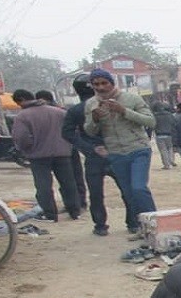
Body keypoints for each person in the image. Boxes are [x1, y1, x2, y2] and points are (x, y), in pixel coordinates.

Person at [83, 68, 157, 235]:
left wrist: (123, 111)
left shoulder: (131, 98)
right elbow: (90, 131)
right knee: (128, 193)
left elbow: (150, 122)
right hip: (115, 153)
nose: (101, 87)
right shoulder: (91, 104)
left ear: (111, 83)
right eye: (96, 85)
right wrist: (94, 119)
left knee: (139, 188)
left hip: (138, 148)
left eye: (104, 83)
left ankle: (156, 224)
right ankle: (141, 227)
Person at [62, 74, 135, 236]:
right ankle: (133, 223)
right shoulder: (117, 104)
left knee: (96, 194)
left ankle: (100, 226)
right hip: (118, 153)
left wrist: (88, 148)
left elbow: (67, 133)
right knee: (127, 190)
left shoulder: (75, 110)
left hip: (94, 156)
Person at [11, 89, 82, 222]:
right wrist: (67, 144)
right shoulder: (59, 112)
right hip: (63, 153)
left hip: (38, 156)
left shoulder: (23, 116)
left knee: (43, 185)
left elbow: (21, 137)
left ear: (21, 100)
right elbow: (73, 130)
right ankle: (74, 211)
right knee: (68, 183)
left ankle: (50, 214)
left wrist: (27, 149)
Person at [36, 89, 88, 211]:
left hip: (61, 149)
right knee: (73, 178)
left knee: (68, 179)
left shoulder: (58, 112)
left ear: (42, 99)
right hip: (69, 148)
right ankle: (79, 203)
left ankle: (75, 204)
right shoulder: (63, 111)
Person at [151, 103, 177, 170]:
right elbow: (174, 123)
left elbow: (152, 125)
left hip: (159, 135)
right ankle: (171, 160)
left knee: (163, 150)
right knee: (170, 148)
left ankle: (166, 165)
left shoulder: (154, 116)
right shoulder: (170, 115)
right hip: (169, 134)